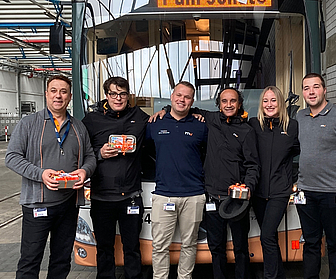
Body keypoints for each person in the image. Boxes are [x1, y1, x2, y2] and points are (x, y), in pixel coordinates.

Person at [5, 75, 96, 279]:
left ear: (70, 96)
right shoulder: (29, 123)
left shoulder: (78, 127)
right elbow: (11, 157)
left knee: (62, 260)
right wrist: (41, 174)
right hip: (38, 205)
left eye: (63, 92)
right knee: (30, 260)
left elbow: (90, 156)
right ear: (46, 94)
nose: (58, 96)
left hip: (68, 205)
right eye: (53, 91)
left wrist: (84, 171)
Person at [82, 76, 149, 279]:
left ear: (128, 96)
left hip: (131, 196)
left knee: (132, 248)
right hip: (102, 197)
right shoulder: (91, 120)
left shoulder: (141, 117)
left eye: (122, 94)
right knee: (104, 248)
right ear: (106, 95)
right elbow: (80, 153)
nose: (118, 98)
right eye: (113, 94)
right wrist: (99, 153)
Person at [296, 73, 336, 279]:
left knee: (335, 242)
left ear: (325, 90)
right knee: (311, 242)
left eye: (316, 87)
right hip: (305, 192)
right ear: (303, 92)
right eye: (306, 88)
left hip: (333, 193)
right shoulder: (299, 117)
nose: (311, 92)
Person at [146, 81, 208, 279]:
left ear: (192, 101)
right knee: (159, 246)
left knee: (189, 244)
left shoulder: (201, 126)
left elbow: (208, 155)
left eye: (187, 97)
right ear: (172, 97)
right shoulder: (155, 124)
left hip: (194, 195)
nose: (182, 100)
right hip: (164, 195)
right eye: (179, 95)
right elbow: (145, 153)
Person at [198, 88, 260, 279]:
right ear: (219, 104)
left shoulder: (247, 130)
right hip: (213, 197)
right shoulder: (211, 120)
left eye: (233, 101)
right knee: (216, 247)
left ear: (239, 104)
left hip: (236, 199)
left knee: (241, 246)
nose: (228, 105)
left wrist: (248, 186)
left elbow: (253, 165)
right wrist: (165, 110)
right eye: (224, 101)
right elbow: (184, 108)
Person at [248, 86, 300, 279]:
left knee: (267, 236)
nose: (269, 105)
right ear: (261, 104)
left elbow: (298, 151)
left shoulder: (292, 127)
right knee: (269, 238)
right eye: (265, 101)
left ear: (280, 103)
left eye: (273, 100)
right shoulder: (253, 125)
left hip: (279, 191)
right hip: (258, 192)